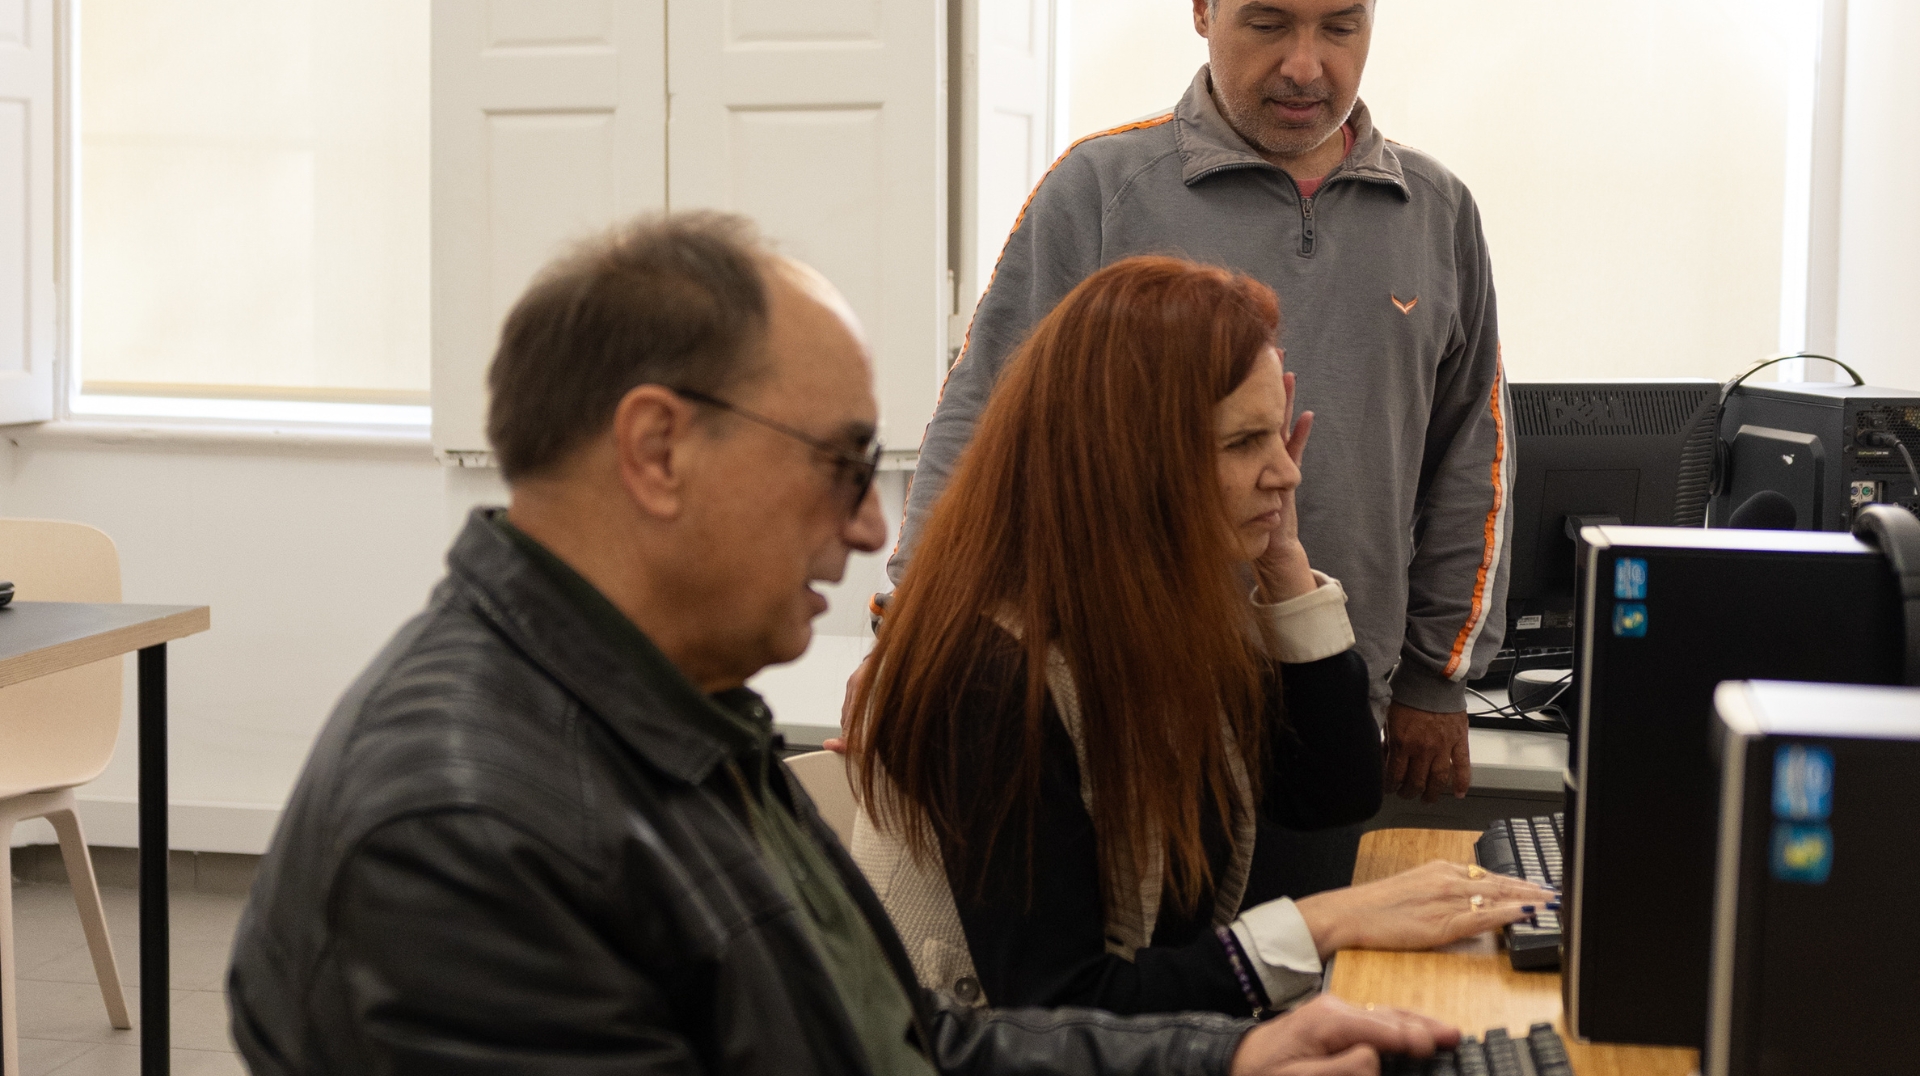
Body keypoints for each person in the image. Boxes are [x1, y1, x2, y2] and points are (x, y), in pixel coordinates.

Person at [225, 212, 1463, 1076]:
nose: (874, 526)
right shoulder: (464, 832)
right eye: (839, 462)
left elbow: (913, 1041)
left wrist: (1224, 1054)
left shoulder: (668, 721)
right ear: (657, 450)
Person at [847, 257, 1547, 1018]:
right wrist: (1324, 923)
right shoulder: (991, 672)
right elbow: (1058, 1009)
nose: (1287, 473)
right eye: (1244, 443)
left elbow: (1332, 792)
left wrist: (1285, 565)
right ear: (1129, 459)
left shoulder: (1157, 608)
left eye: (1278, 436)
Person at [877, 0, 1511, 827]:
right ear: (1205, 12)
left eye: (1340, 27)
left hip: (1333, 700)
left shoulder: (1437, 211)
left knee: (1326, 914)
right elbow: (982, 420)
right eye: (1269, 24)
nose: (1306, 66)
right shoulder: (1101, 187)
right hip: (1120, 706)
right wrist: (908, 631)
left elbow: (1473, 458)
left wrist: (1437, 676)